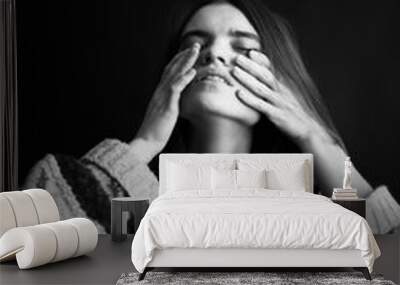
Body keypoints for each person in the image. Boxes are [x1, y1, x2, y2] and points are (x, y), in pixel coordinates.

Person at [24, 0, 400, 234]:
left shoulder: (313, 213)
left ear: (280, 79)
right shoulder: (137, 203)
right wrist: (144, 142)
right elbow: (35, 235)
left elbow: (389, 257)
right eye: (194, 45)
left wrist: (314, 137)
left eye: (243, 47)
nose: (214, 54)